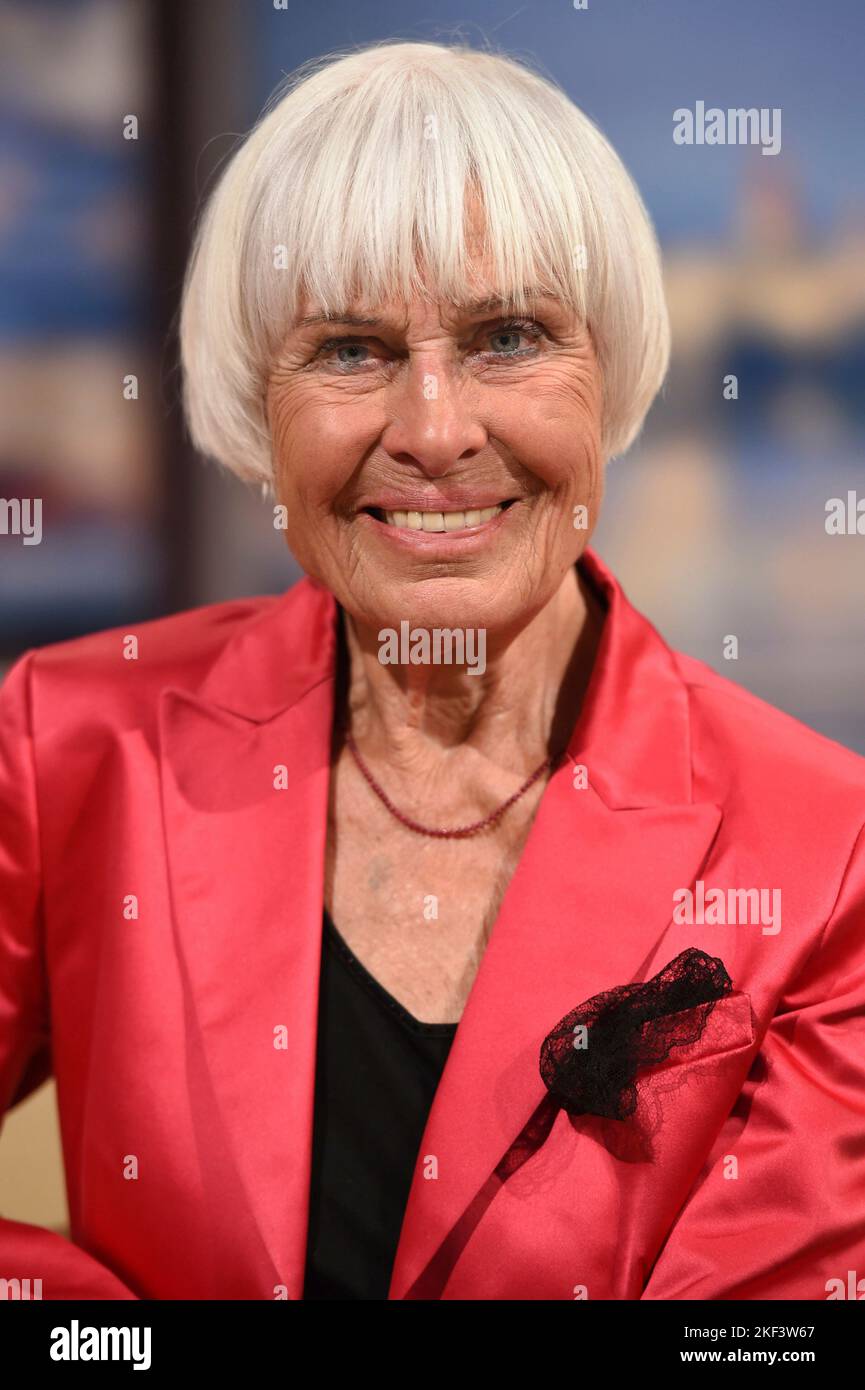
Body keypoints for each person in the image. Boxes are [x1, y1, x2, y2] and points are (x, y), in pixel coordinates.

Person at [1, 40, 863, 1301]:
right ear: (256, 403)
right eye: (348, 350)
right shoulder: (71, 740)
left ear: (610, 371)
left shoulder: (826, 847)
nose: (435, 430)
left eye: (509, 336)